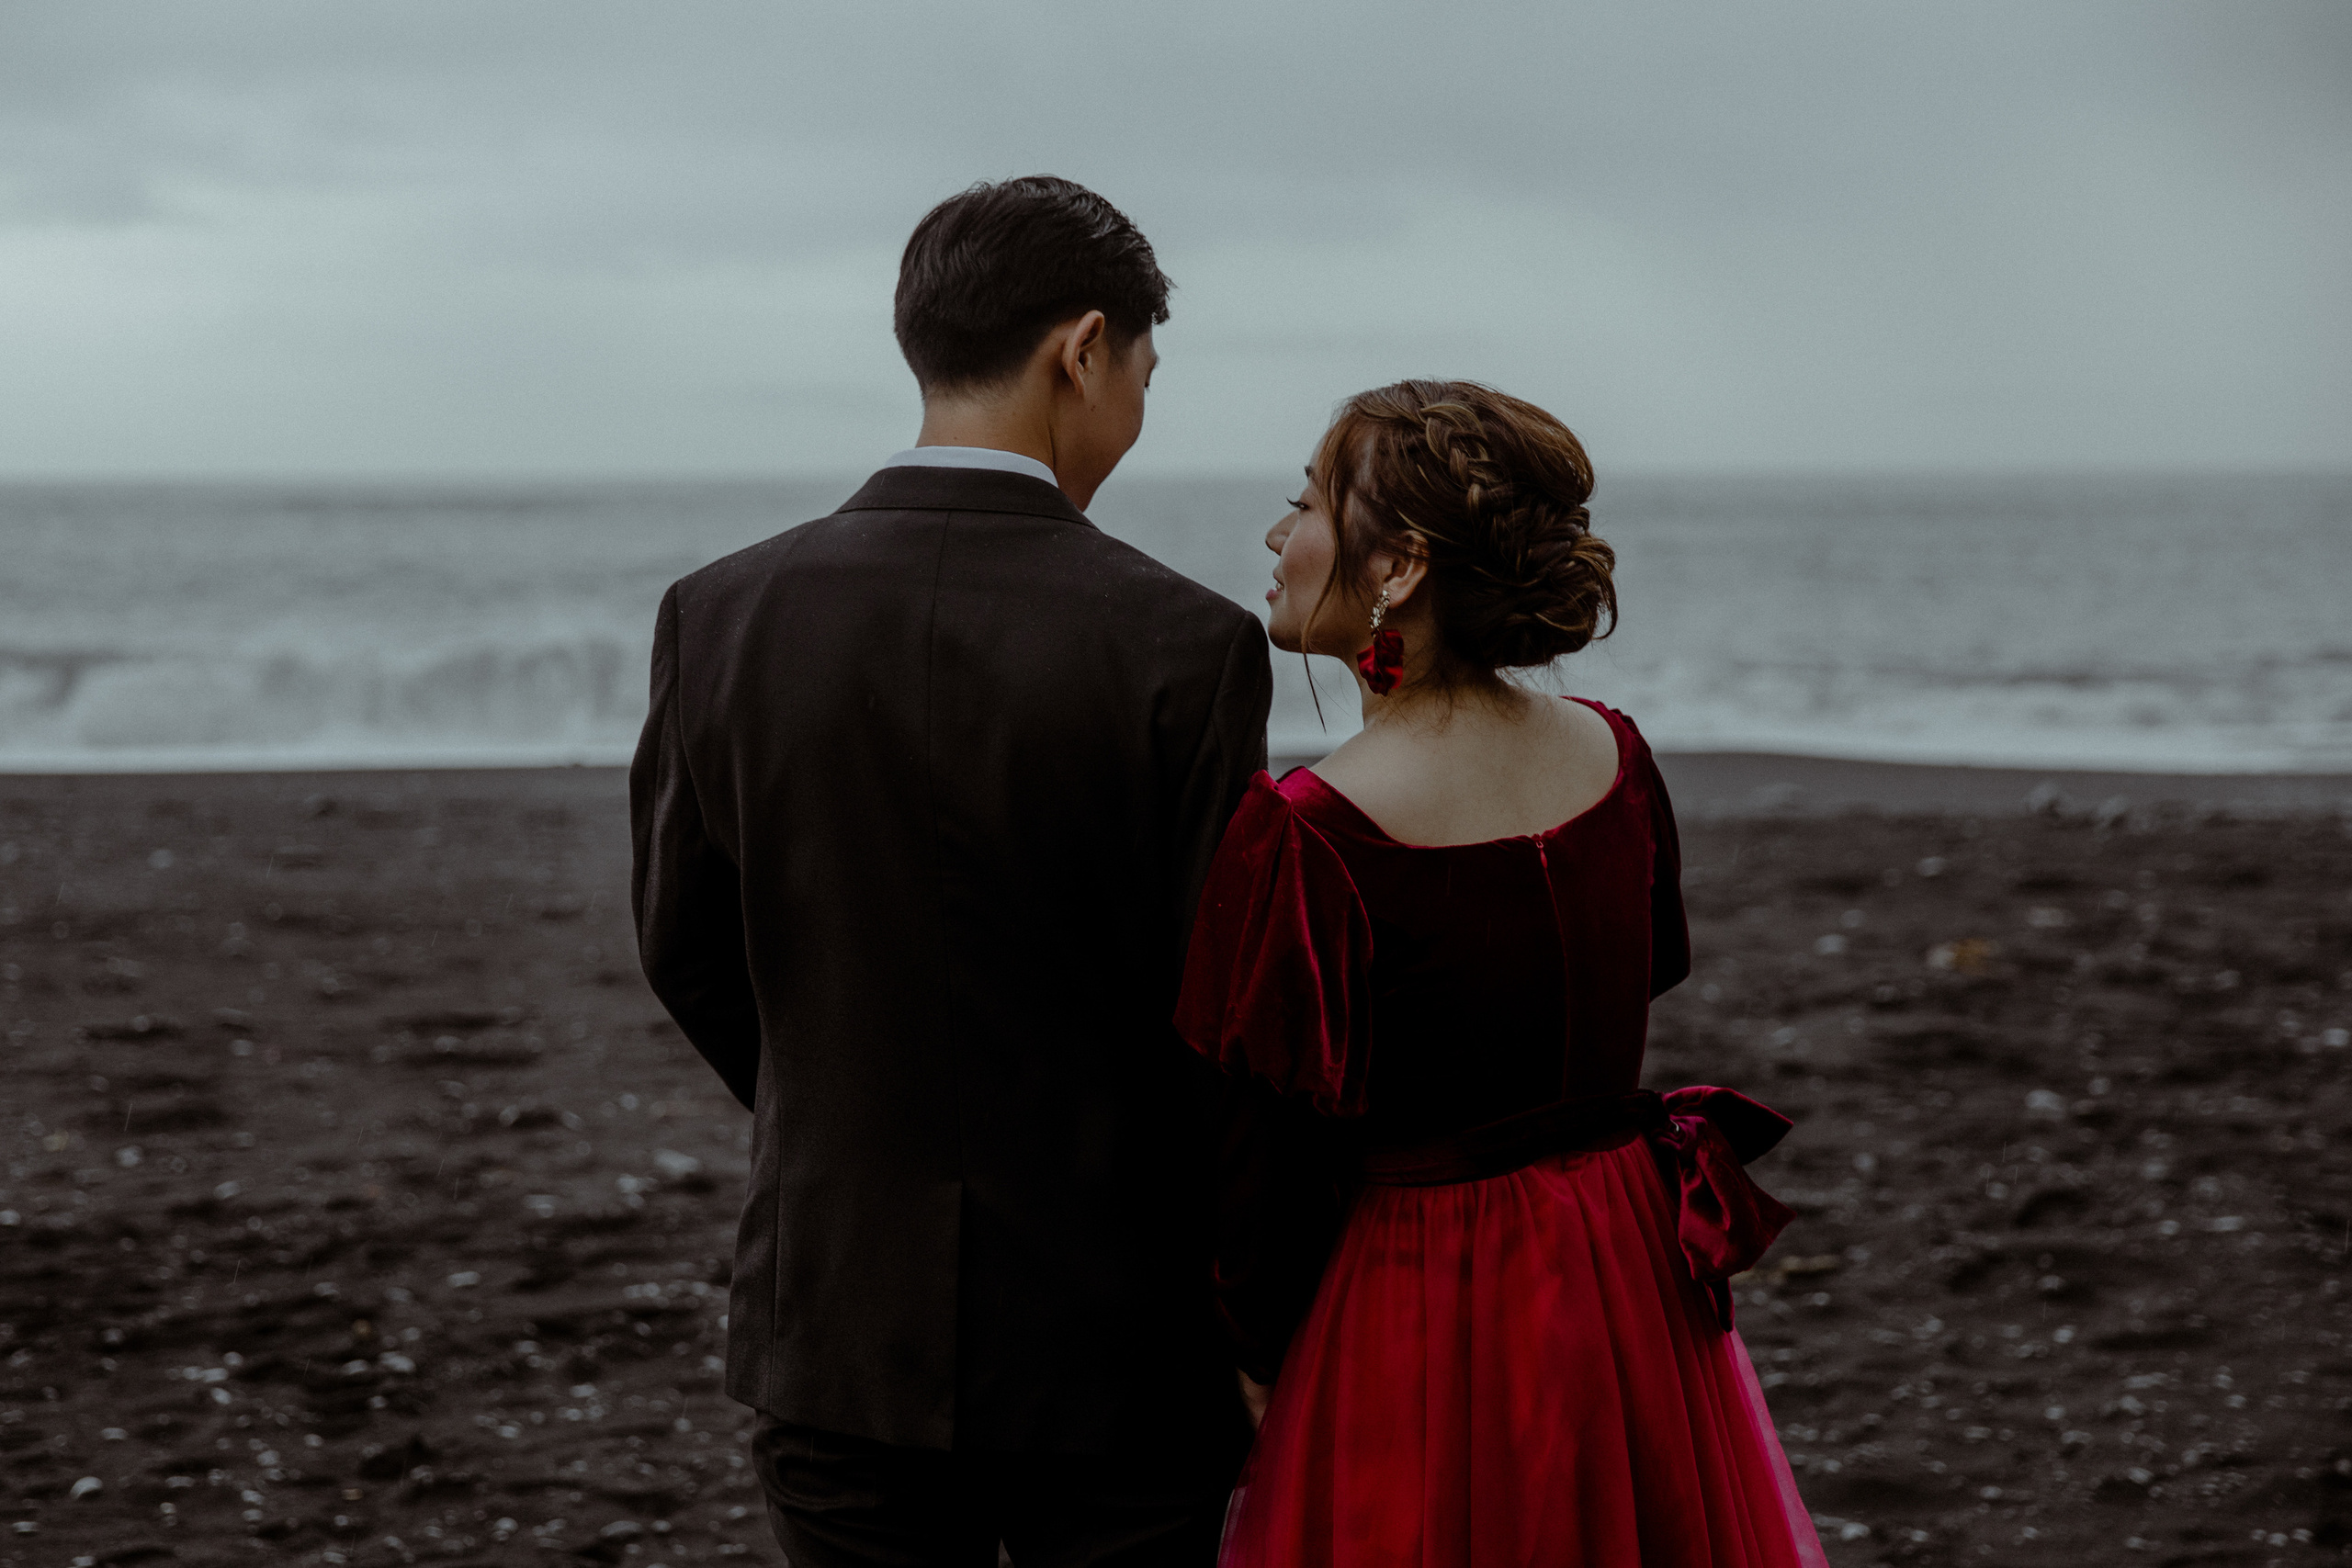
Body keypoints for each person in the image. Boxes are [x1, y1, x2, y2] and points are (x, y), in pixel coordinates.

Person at [631, 175, 1272, 1567]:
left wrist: (851, 1115)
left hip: (836, 1313)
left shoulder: (721, 614)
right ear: (1083, 350)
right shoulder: (1185, 643)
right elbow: (1218, 1013)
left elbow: (685, 943)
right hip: (1117, 1334)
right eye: (1143, 374)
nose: (1136, 415)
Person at [1176, 381, 1828, 1567]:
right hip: (1629, 1265)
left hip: (1425, 1287)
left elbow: (1258, 1152)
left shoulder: (1309, 831)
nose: (1277, 539)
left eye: (1305, 501)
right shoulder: (1616, 756)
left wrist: (1256, 1357)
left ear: (1401, 568)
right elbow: (1651, 970)